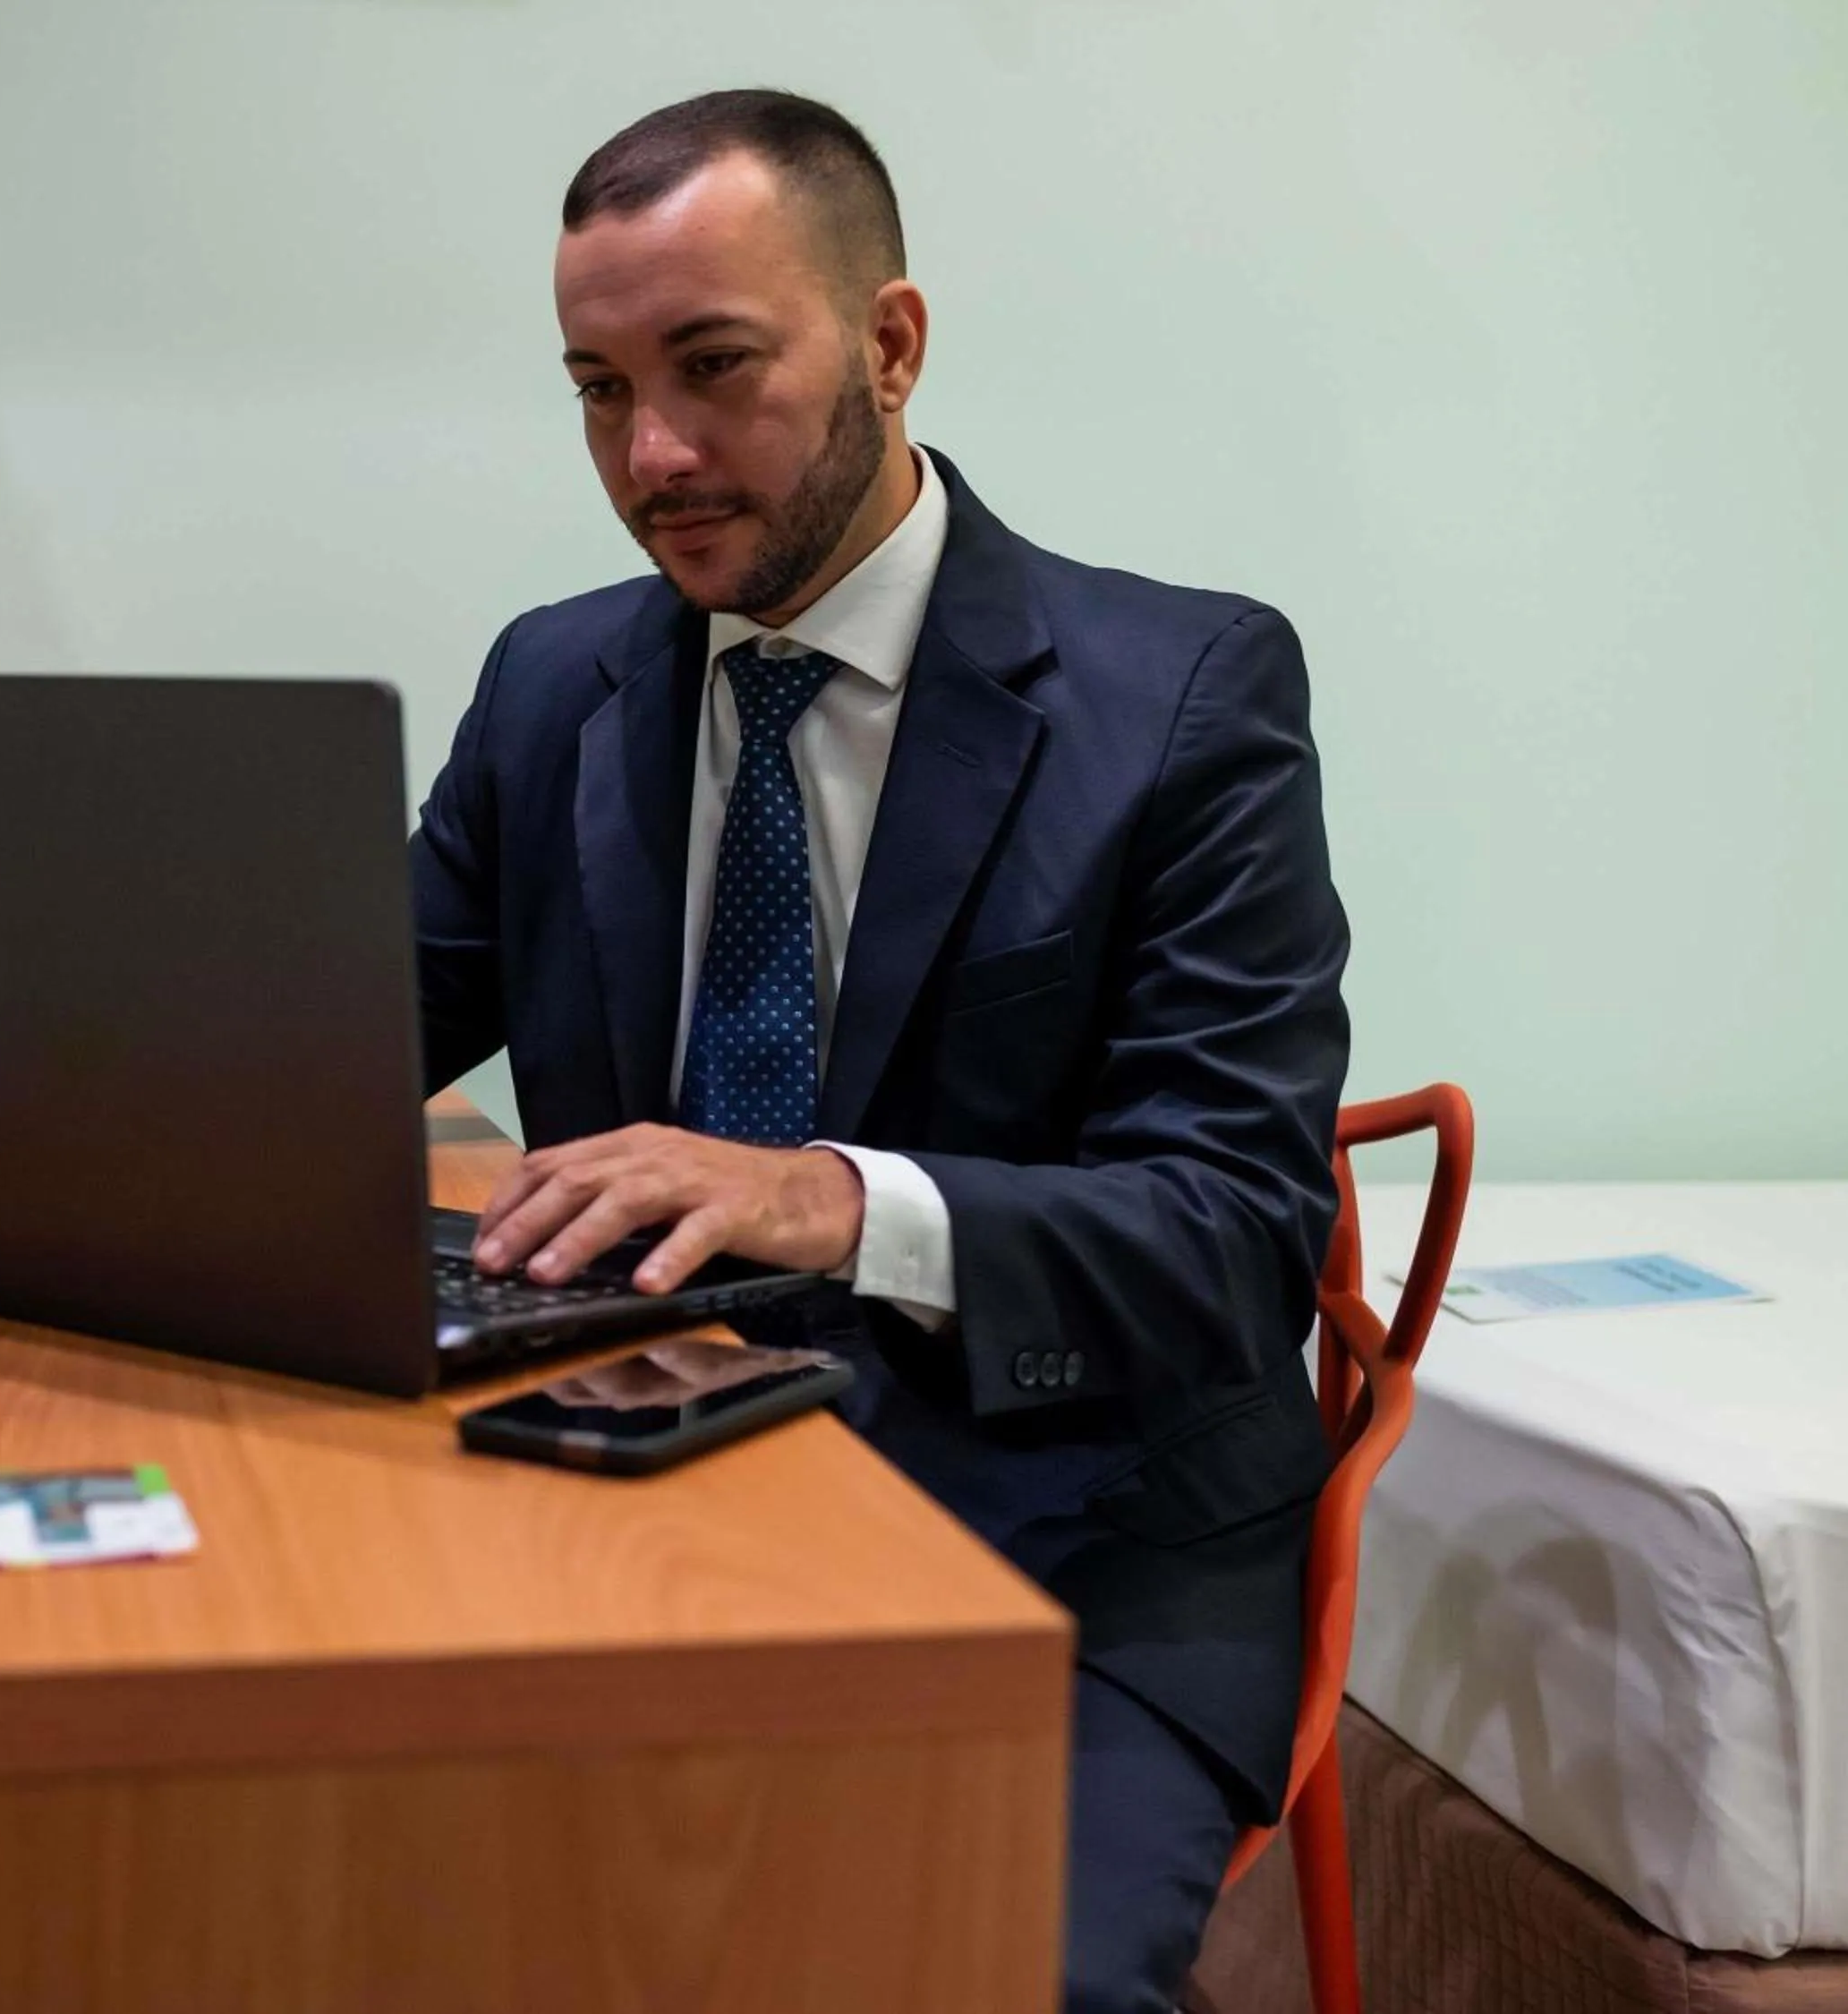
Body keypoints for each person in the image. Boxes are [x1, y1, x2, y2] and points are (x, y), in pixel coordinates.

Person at [410, 88, 1352, 2011]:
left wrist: (824, 1198)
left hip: (1080, 1533)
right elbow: (347, 1031)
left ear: (892, 342)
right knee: (355, 1894)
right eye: (596, 388)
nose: (648, 454)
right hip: (655, 1486)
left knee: (972, 1970)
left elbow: (1235, 1232)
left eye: (713, 368)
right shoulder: (554, 683)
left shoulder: (1179, 696)